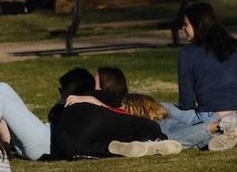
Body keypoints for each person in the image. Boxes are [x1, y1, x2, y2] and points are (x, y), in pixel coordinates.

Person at [161, 2, 237, 151]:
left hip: (216, 118)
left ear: (197, 25)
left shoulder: (188, 53)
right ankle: (231, 130)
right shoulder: (236, 47)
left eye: (186, 24)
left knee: (159, 108)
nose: (183, 29)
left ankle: (219, 129)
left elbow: (186, 103)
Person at [48, 67, 177, 159]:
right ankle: (149, 142)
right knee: (148, 126)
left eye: (96, 81)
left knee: (90, 146)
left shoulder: (71, 103)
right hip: (86, 128)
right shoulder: (102, 99)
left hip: (62, 143)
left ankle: (110, 148)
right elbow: (122, 118)